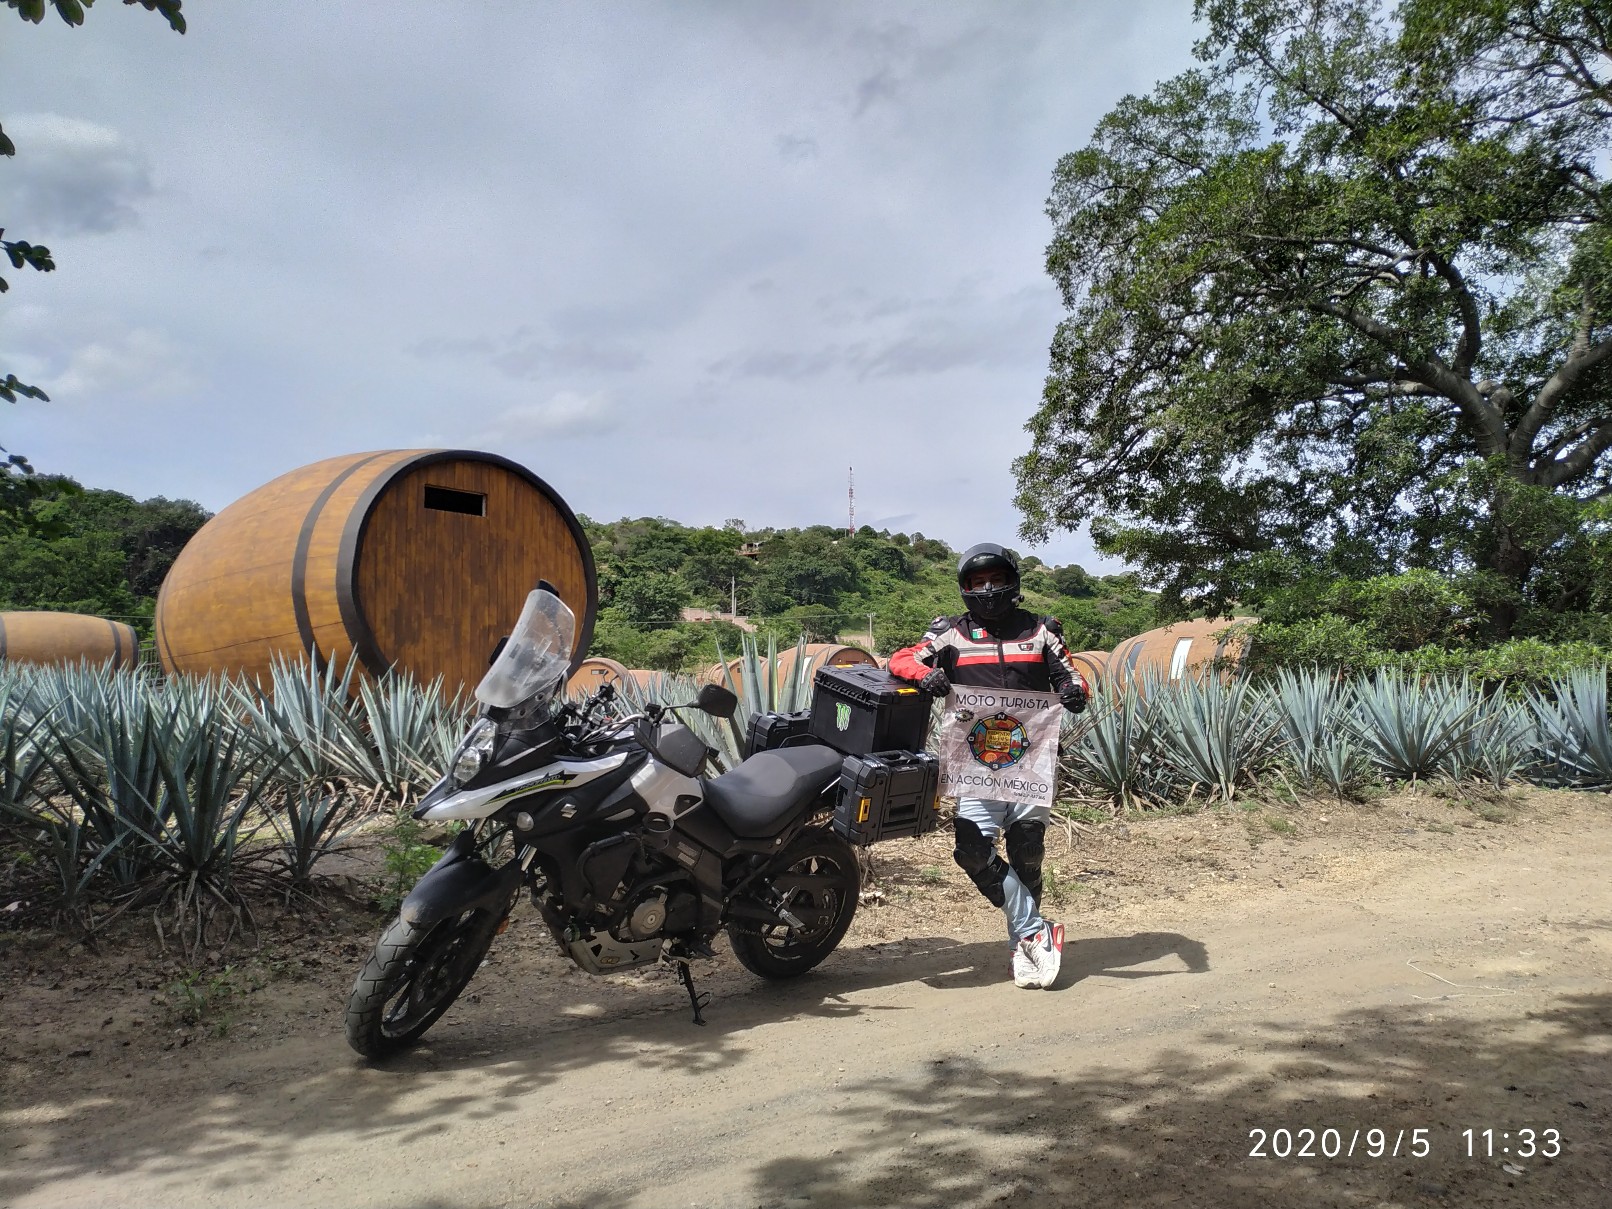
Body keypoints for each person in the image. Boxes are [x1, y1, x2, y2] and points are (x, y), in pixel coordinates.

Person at [887, 543, 1088, 989]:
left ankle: (1024, 947)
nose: (989, 589)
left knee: (1027, 851)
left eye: (996, 579)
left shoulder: (1042, 630)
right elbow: (901, 660)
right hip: (974, 766)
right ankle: (1037, 931)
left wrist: (1076, 691)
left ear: (1012, 581)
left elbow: (1070, 675)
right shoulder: (950, 634)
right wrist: (926, 675)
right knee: (971, 851)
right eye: (978, 583)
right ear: (965, 589)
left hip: (1031, 762)